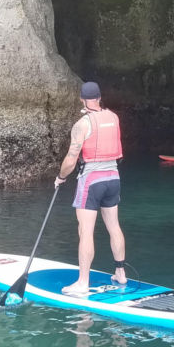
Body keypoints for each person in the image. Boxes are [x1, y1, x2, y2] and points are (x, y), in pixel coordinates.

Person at [54, 81, 127, 296]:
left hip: (92, 181)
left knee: (85, 231)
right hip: (113, 177)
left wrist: (60, 177)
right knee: (114, 226)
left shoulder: (82, 124)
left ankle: (83, 283)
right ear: (99, 97)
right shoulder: (114, 117)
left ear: (81, 99)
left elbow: (70, 159)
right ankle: (120, 273)